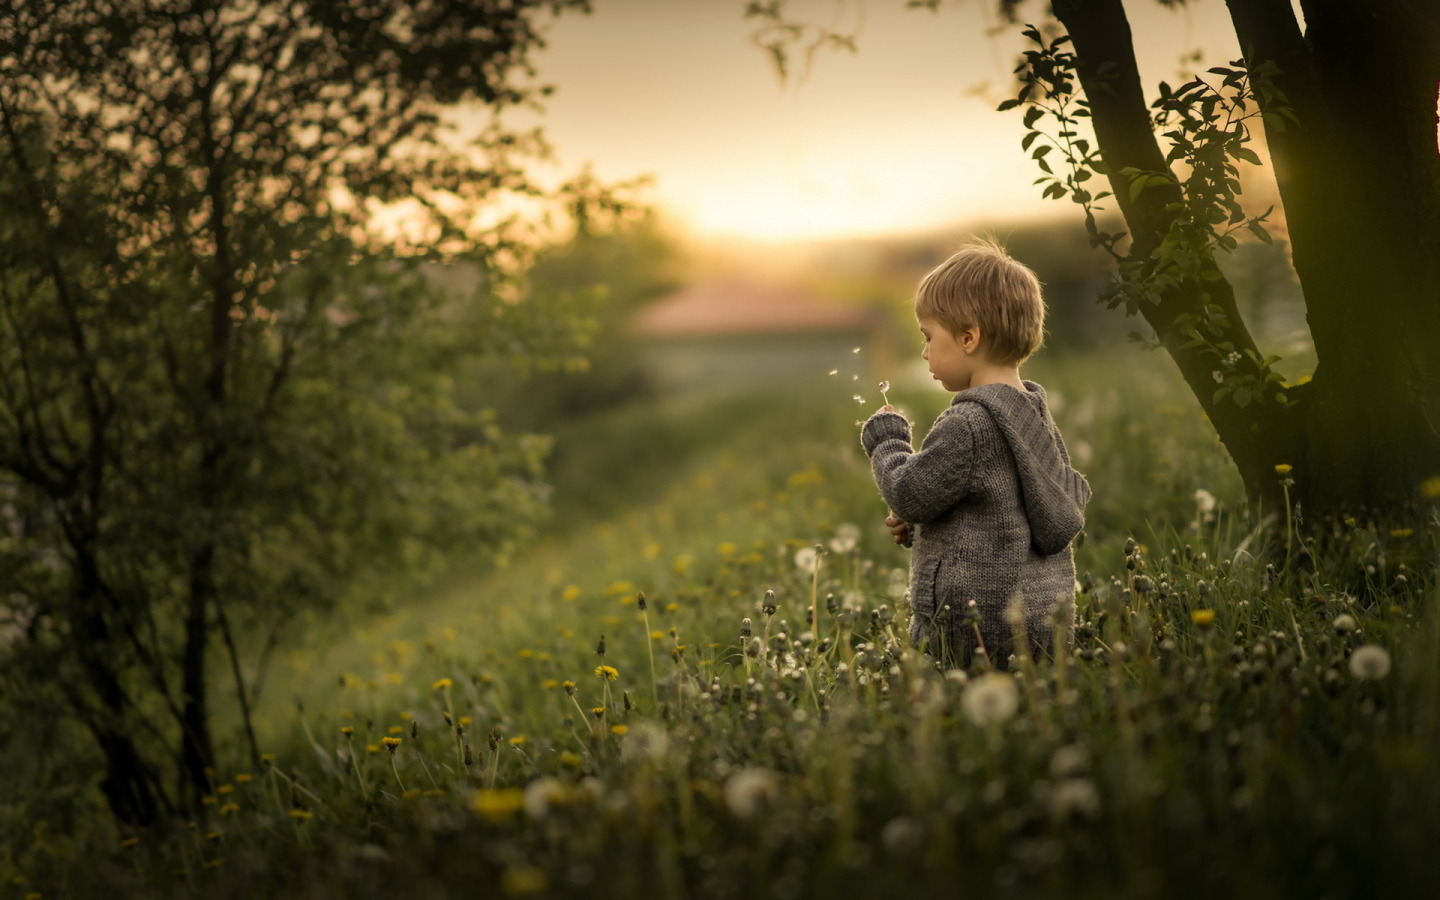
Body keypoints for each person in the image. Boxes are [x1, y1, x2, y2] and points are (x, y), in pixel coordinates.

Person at [860, 238, 1091, 668]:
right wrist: (924, 524)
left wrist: (888, 441)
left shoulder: (968, 424)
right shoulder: (1033, 411)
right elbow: (1009, 509)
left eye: (929, 337)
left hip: (972, 627)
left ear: (969, 337)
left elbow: (909, 492)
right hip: (1040, 619)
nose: (925, 352)